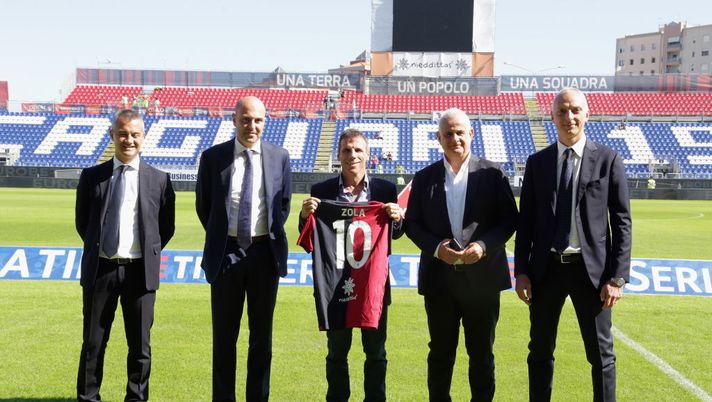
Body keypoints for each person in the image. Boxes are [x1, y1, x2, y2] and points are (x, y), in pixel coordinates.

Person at [514, 88, 632, 402]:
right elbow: (525, 223)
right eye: (563, 111)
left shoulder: (608, 160)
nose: (570, 117)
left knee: (601, 355)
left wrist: (616, 278)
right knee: (539, 350)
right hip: (545, 270)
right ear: (552, 117)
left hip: (591, 274)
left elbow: (621, 222)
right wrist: (521, 272)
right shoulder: (537, 163)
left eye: (576, 110)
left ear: (586, 114)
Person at [404, 108, 517, 401]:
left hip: (483, 281)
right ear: (439, 138)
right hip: (439, 281)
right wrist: (435, 248)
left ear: (471, 134)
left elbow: (509, 220)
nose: (455, 138)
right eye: (448, 134)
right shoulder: (424, 177)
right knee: (440, 354)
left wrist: (483, 246)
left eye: (460, 132)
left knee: (481, 354)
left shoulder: (493, 174)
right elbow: (412, 224)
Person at [195, 96, 292, 402]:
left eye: (258, 120)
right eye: (246, 119)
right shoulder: (213, 158)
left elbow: (283, 205)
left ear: (266, 122)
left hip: (265, 255)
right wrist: (227, 237)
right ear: (234, 120)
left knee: (261, 340)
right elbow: (205, 207)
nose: (252, 126)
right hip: (227, 253)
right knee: (224, 339)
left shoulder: (280, 156)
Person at [75, 109, 175, 401]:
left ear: (143, 137)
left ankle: (136, 398)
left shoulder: (159, 180)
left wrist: (143, 253)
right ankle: (89, 397)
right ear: (112, 136)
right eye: (122, 134)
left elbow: (164, 229)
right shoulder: (92, 176)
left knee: (140, 347)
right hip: (100, 271)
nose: (128, 140)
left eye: (134, 134)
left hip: (139, 273)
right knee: (93, 343)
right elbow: (84, 224)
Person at [299, 129, 404, 402]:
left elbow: (395, 233)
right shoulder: (321, 191)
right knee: (336, 353)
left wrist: (398, 218)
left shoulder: (385, 189)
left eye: (358, 150)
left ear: (368, 155)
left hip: (373, 285)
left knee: (376, 353)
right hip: (334, 285)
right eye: (347, 150)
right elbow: (310, 237)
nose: (352, 155)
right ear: (338, 155)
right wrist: (304, 216)